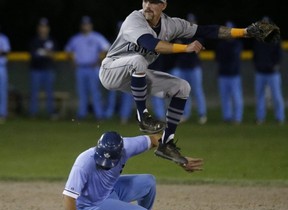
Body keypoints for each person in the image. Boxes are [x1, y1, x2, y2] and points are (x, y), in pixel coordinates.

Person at [99, 0, 270, 165]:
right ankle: (143, 117)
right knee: (138, 60)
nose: (147, 6)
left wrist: (244, 32)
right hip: (111, 70)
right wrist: (184, 48)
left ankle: (166, 144)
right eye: (145, 1)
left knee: (182, 87)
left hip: (136, 76)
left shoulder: (172, 25)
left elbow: (206, 31)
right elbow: (151, 44)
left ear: (164, 5)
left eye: (153, 2)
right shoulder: (134, 19)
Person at [63, 131, 203, 210]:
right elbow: (69, 197)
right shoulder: (83, 162)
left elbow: (155, 139)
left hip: (110, 192)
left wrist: (179, 158)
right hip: (89, 207)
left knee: (148, 182)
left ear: (120, 151)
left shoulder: (126, 146)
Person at [65, 16, 111, 120]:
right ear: (81, 26)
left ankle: (99, 114)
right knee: (82, 92)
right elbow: (68, 51)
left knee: (95, 92)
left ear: (91, 25)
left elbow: (107, 48)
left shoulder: (96, 37)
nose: (86, 26)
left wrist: (100, 61)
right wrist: (72, 62)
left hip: (93, 68)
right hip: (81, 68)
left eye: (88, 24)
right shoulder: (76, 38)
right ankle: (82, 114)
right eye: (84, 24)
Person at [170, 13, 207, 124]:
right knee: (183, 92)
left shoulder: (199, 34)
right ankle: (185, 115)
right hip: (182, 67)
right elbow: (175, 47)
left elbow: (194, 49)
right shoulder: (181, 34)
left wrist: (184, 46)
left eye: (193, 22)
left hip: (194, 67)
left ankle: (202, 114)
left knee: (197, 91)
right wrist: (185, 46)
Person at [252, 16, 285, 124]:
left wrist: (275, 65)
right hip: (260, 72)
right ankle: (260, 118)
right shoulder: (258, 38)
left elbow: (279, 54)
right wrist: (257, 65)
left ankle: (280, 118)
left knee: (277, 96)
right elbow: (255, 54)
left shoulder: (275, 37)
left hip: (272, 72)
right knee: (260, 96)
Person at [28, 17, 58, 119]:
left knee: (49, 93)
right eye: (41, 26)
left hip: (48, 69)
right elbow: (34, 55)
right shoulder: (34, 41)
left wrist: (42, 53)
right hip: (36, 70)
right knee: (34, 93)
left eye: (45, 27)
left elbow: (53, 55)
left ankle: (51, 113)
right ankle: (33, 113)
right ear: (38, 28)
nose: (43, 29)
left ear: (48, 28)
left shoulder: (51, 41)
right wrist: (45, 53)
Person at [215, 21, 244, 124]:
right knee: (225, 98)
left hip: (234, 75)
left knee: (236, 97)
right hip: (223, 74)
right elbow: (217, 58)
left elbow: (233, 57)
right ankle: (227, 117)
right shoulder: (221, 44)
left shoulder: (237, 44)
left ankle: (237, 118)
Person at [0, 25, 11, 123]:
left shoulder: (3, 38)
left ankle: (2, 114)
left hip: (1, 67)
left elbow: (6, 51)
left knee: (2, 92)